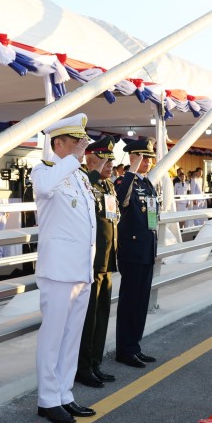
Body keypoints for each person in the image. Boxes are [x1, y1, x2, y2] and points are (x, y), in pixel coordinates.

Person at [30, 113, 97, 423]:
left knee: (72, 336)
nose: (82, 147)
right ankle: (47, 398)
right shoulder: (44, 171)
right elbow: (45, 188)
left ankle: (64, 393)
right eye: (75, 142)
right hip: (58, 269)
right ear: (58, 144)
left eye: (83, 142)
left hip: (81, 267)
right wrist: (72, 160)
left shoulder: (79, 176)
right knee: (53, 335)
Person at [75, 136, 119, 388]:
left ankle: (95, 363)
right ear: (91, 160)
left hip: (107, 260)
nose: (109, 165)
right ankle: (83, 367)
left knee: (101, 316)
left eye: (111, 160)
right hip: (91, 262)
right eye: (104, 160)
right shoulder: (85, 182)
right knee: (88, 318)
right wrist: (92, 174)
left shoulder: (108, 186)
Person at [114, 138, 159, 369]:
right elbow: (121, 200)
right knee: (130, 302)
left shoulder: (147, 183)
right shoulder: (125, 180)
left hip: (146, 250)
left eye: (150, 157)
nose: (148, 161)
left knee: (141, 302)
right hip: (132, 251)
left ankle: (134, 346)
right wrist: (131, 171)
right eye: (143, 157)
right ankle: (124, 349)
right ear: (132, 158)